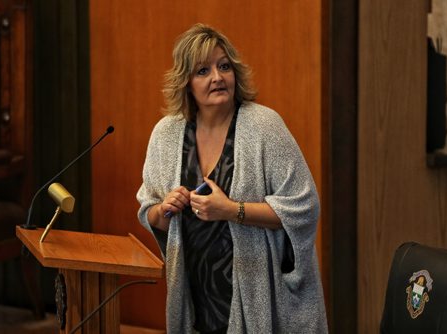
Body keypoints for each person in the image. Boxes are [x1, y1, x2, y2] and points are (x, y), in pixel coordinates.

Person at [137, 23, 327, 333]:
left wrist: (231, 210)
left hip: (255, 293)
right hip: (194, 297)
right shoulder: (166, 134)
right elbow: (151, 213)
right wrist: (164, 209)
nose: (217, 77)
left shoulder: (264, 126)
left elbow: (304, 207)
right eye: (203, 70)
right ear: (186, 81)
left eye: (224, 66)